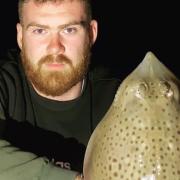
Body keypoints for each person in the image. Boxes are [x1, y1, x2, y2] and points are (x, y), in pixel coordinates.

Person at [0, 0, 120, 179]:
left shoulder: (121, 98)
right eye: (39, 31)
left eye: (69, 30)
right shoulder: (5, 81)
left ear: (91, 33)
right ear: (20, 36)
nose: (55, 47)